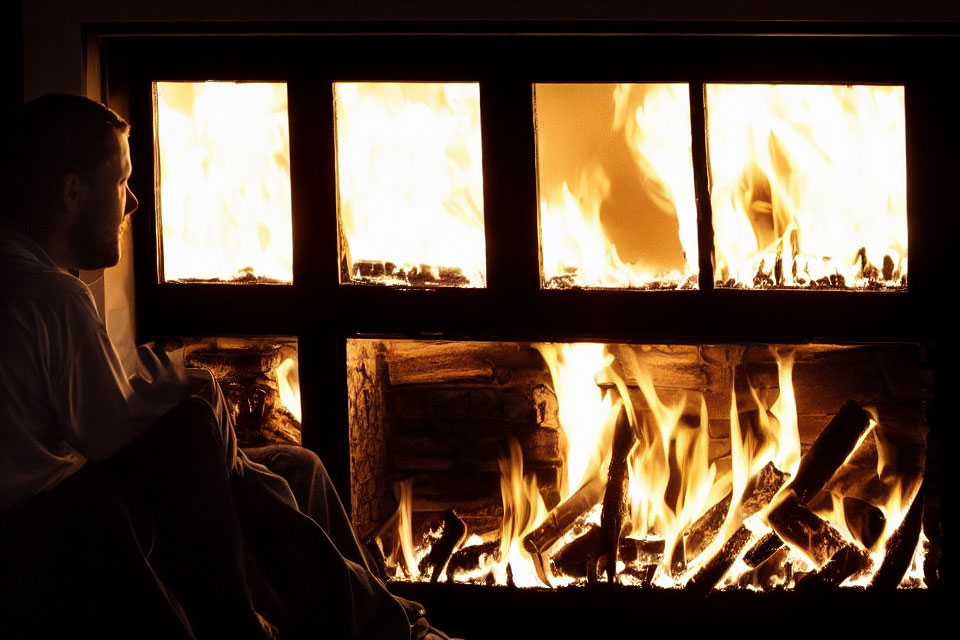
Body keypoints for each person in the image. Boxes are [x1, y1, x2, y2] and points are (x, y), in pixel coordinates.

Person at [0, 94, 453, 640]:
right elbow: (122, 439)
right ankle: (390, 628)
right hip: (60, 523)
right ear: (73, 192)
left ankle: (378, 620)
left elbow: (97, 417)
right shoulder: (50, 296)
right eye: (121, 182)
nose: (134, 203)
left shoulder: (24, 278)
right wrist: (197, 395)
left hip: (83, 495)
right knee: (213, 444)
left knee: (297, 466)